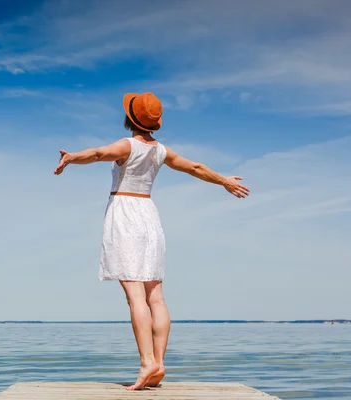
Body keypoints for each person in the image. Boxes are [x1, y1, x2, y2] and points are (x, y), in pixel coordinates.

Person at [53, 92, 250, 390]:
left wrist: (70, 158)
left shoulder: (125, 146)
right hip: (149, 216)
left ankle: (147, 362)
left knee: (135, 296)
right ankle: (159, 362)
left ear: (129, 119)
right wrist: (223, 180)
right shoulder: (161, 151)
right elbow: (195, 167)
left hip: (125, 216)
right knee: (155, 296)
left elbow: (95, 153)